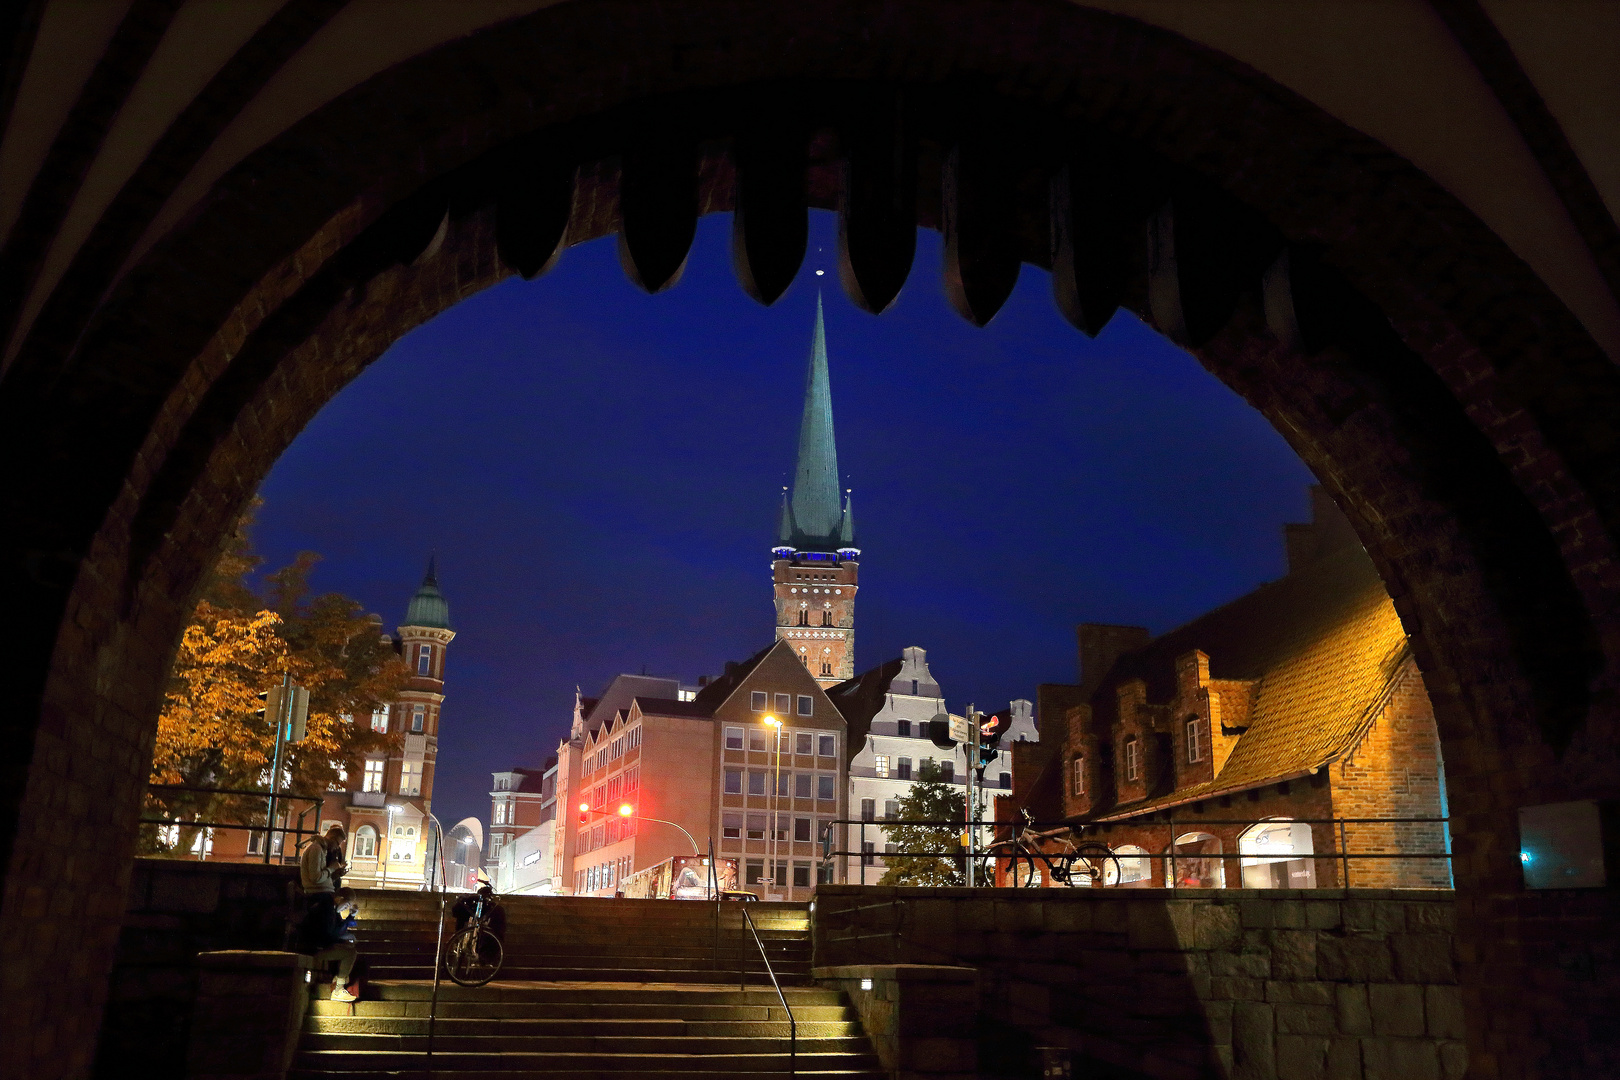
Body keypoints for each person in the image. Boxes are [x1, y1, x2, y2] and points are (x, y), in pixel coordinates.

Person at [299, 825, 359, 1001]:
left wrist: (335, 873)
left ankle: (338, 985)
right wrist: (332, 869)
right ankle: (337, 989)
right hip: (316, 947)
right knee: (350, 952)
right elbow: (316, 878)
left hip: (319, 937)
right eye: (337, 843)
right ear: (331, 836)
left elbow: (320, 878)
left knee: (349, 948)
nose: (336, 848)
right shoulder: (316, 849)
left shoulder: (320, 850)